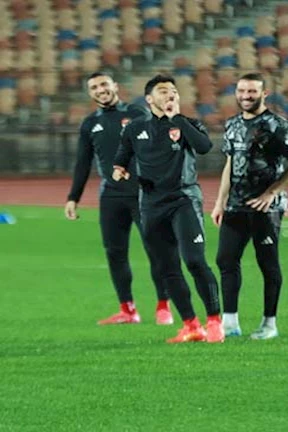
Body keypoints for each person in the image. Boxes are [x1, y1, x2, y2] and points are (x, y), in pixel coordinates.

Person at [112, 74, 223, 343]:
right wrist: (119, 171)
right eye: (163, 91)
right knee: (167, 267)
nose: (171, 94)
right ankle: (191, 325)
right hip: (151, 206)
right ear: (149, 99)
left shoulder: (187, 124)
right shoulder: (134, 129)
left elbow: (204, 147)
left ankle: (214, 322)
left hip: (183, 200)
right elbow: (121, 159)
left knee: (194, 261)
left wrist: (177, 119)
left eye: (173, 90)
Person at [64, 71, 173, 326]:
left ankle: (163, 305)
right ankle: (128, 310)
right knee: (114, 252)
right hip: (111, 196)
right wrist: (73, 198)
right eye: (94, 87)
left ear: (115, 86)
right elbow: (83, 163)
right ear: (90, 93)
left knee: (156, 249)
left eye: (104, 84)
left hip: (143, 193)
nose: (100, 90)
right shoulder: (90, 123)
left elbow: (159, 148)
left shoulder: (137, 113)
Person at [211, 73, 288, 340]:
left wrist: (271, 193)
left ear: (264, 94)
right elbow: (230, 163)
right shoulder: (232, 124)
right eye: (241, 91)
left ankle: (269, 324)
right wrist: (220, 202)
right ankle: (230, 323)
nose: (246, 96)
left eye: (252, 91)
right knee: (226, 260)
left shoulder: (278, 126)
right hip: (236, 205)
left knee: (267, 263)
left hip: (266, 208)